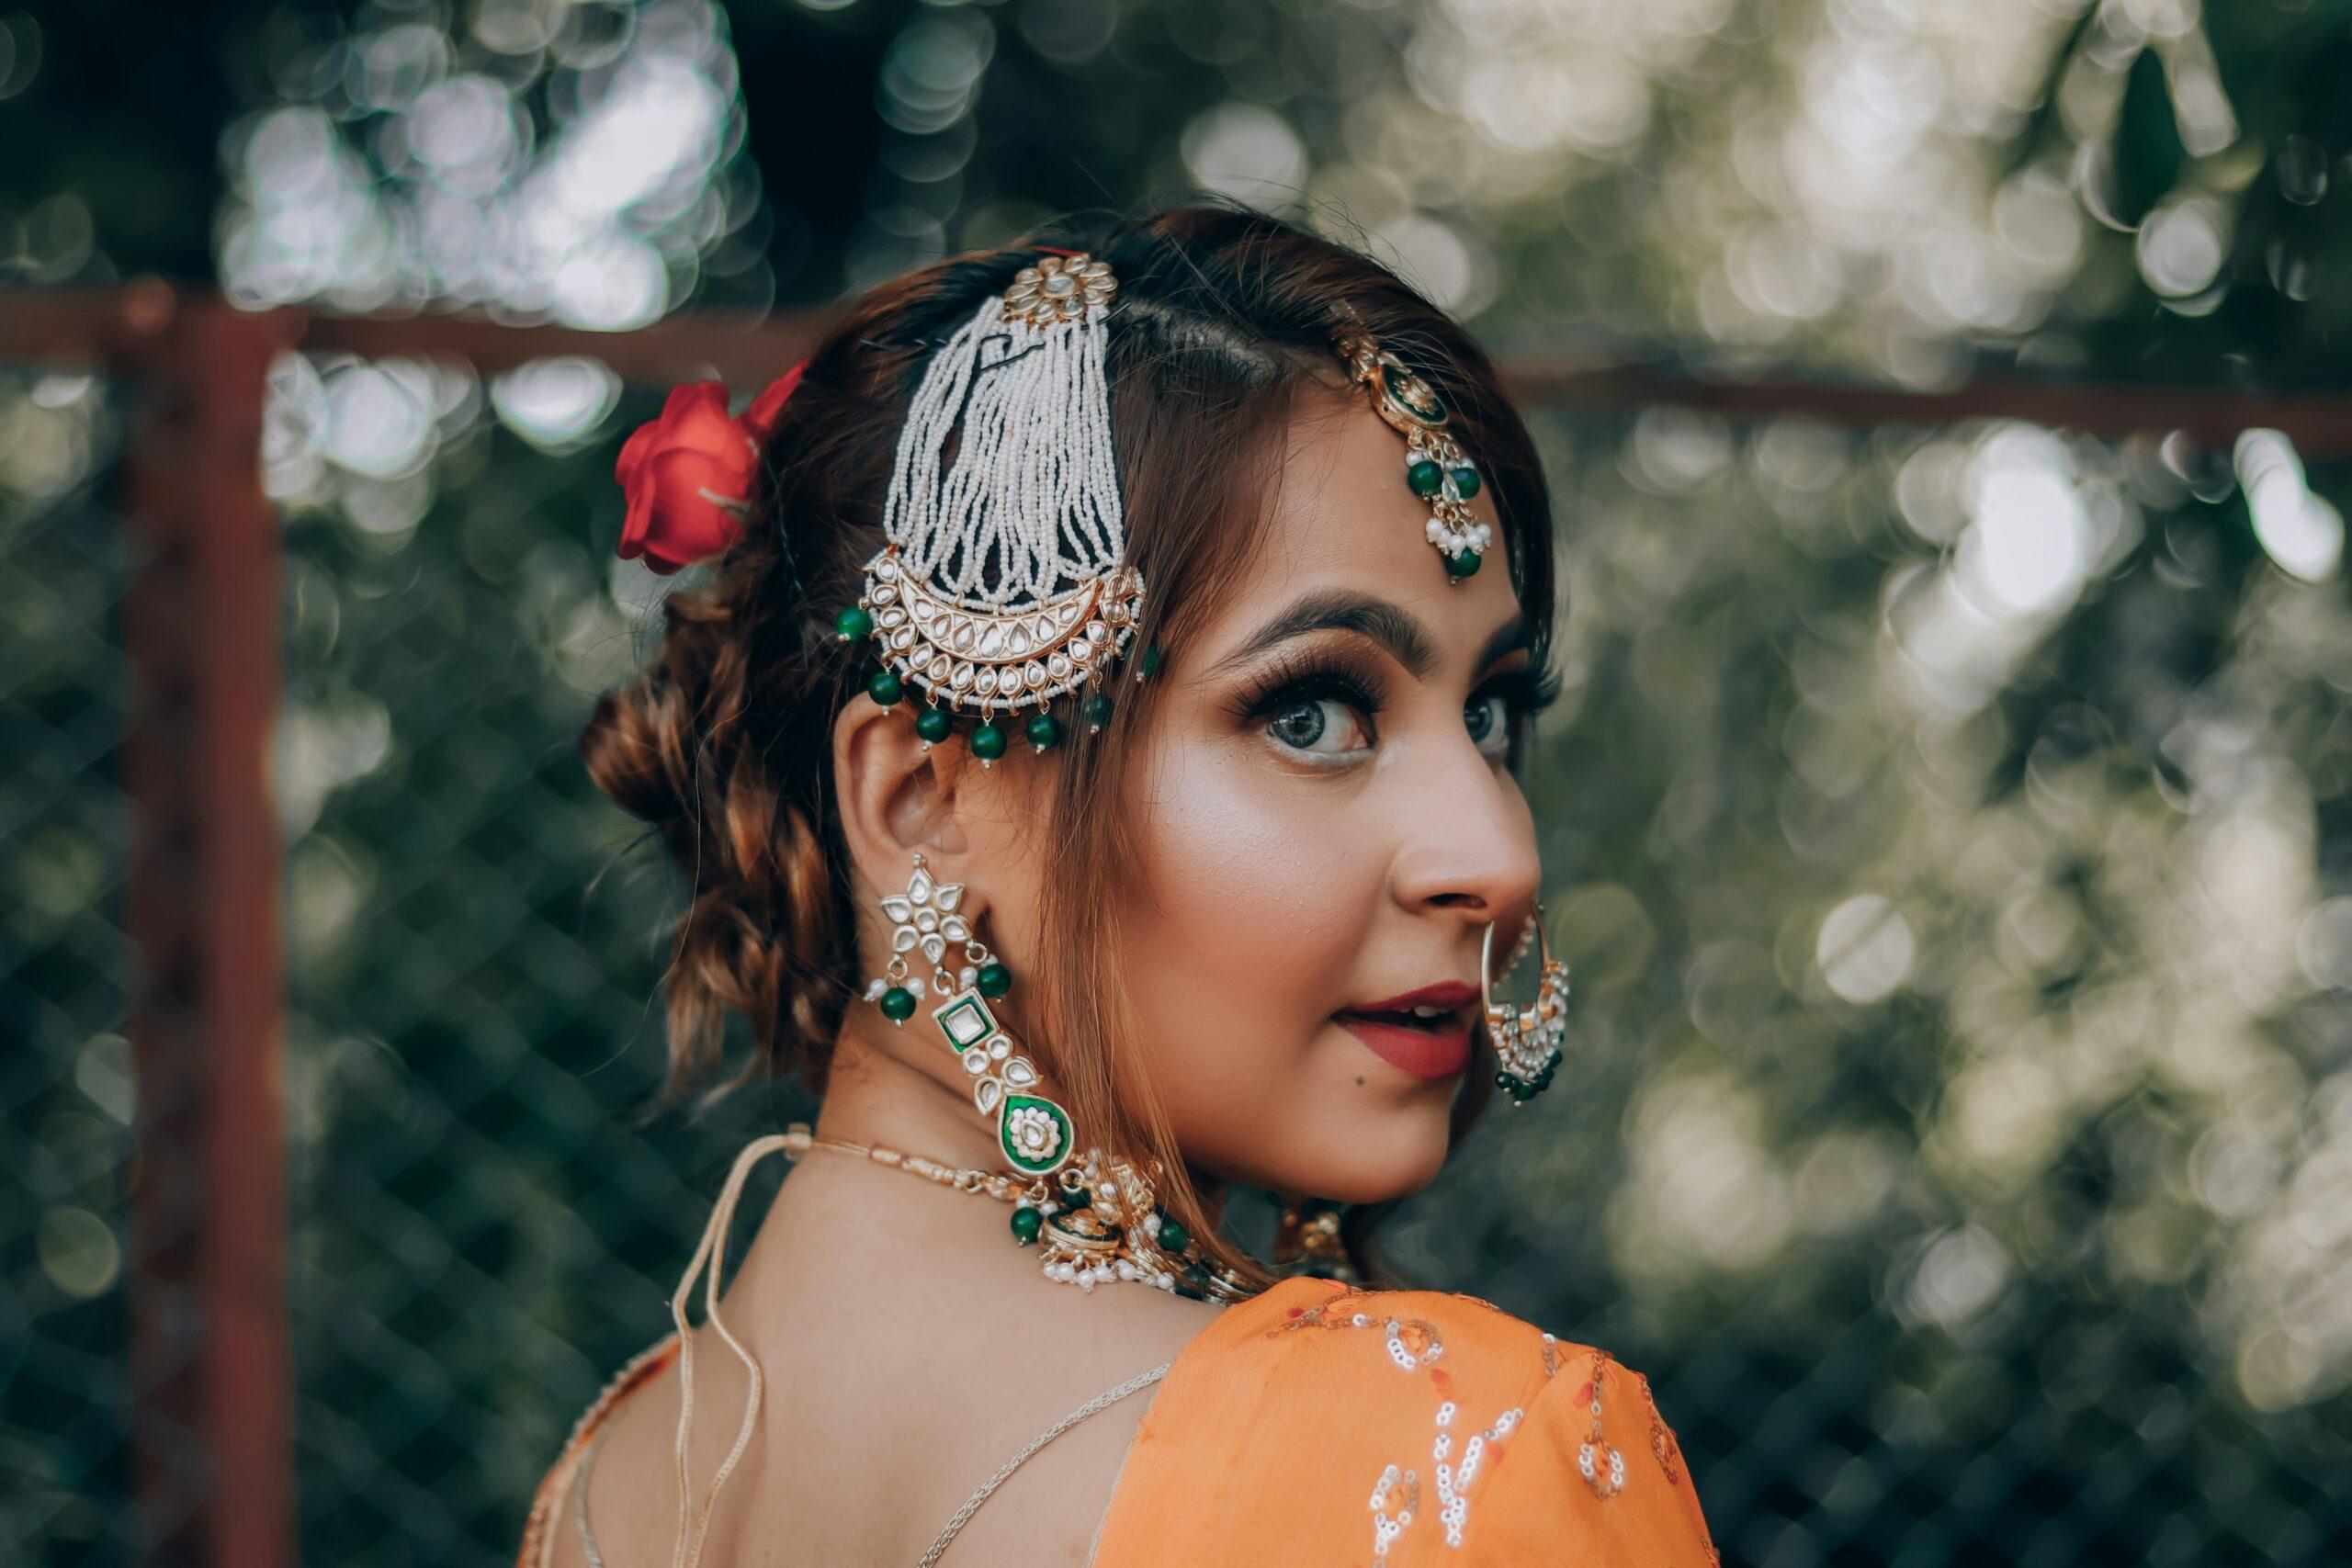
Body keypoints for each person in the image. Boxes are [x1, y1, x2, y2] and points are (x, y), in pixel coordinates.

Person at [514, 207, 1721, 1566]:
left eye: (1491, 715)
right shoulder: (1451, 1462)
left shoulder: (604, 1494)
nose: (1498, 861)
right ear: (924, 805)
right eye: (1315, 712)